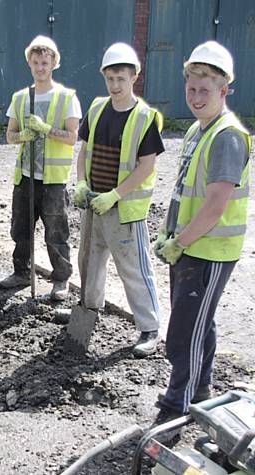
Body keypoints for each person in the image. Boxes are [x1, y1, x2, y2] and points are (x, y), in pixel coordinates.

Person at [154, 41, 250, 423]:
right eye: (191, 88)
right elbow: (183, 190)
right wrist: (168, 232)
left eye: (205, 90)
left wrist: (181, 241)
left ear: (224, 90)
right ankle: (201, 388)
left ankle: (177, 405)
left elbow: (215, 205)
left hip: (209, 251)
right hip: (190, 246)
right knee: (198, 321)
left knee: (183, 334)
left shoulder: (227, 135)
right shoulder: (198, 130)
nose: (195, 97)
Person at [74, 43, 164, 358]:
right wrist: (82, 183)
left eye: (121, 79)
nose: (115, 85)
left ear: (134, 77)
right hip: (95, 202)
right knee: (90, 260)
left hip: (124, 209)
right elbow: (84, 150)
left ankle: (149, 327)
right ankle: (88, 308)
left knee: (134, 269)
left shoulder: (145, 117)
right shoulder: (98, 108)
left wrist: (116, 194)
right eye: (110, 78)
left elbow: (147, 165)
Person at [0, 35, 81, 301]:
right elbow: (9, 135)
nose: (41, 67)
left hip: (53, 180)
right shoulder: (20, 98)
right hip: (25, 177)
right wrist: (24, 135)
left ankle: (61, 279)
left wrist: (46, 130)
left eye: (45, 62)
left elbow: (72, 137)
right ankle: (21, 272)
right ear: (29, 64)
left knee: (56, 231)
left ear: (54, 63)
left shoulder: (67, 97)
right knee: (20, 229)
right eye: (36, 63)